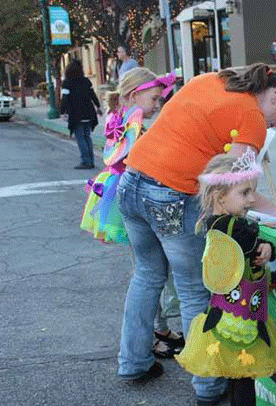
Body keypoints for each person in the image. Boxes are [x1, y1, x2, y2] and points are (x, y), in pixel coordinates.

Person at [116, 63, 276, 406]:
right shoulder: (250, 116)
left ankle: (133, 362)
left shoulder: (210, 80)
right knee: (194, 290)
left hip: (131, 181)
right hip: (171, 193)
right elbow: (235, 185)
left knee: (146, 276)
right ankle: (208, 385)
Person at [79, 67, 184, 357]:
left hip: (119, 189)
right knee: (149, 272)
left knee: (148, 268)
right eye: (154, 98)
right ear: (135, 95)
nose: (157, 104)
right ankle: (149, 337)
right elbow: (139, 159)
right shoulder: (135, 120)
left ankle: (158, 328)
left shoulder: (120, 116)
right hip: (133, 192)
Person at [176, 150, 276, 406]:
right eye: (244, 193)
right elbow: (252, 241)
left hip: (225, 310)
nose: (251, 200)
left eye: (252, 192)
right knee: (244, 375)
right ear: (221, 196)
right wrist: (270, 247)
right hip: (240, 315)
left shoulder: (213, 222)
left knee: (237, 375)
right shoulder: (235, 226)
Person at [60, 59, 101, 169]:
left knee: (80, 138)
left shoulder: (67, 83)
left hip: (76, 114)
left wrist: (62, 112)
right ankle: (91, 160)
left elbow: (64, 98)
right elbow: (93, 95)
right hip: (89, 112)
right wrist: (98, 106)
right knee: (87, 137)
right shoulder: (86, 81)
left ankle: (85, 161)